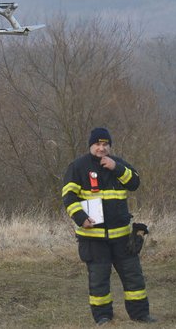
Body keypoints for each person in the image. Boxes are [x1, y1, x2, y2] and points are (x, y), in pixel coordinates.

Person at [62, 127, 156, 324]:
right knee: (99, 281)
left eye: (105, 145)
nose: (101, 148)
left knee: (134, 279)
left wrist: (117, 168)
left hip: (122, 237)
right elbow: (68, 197)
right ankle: (103, 317)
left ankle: (140, 315)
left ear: (110, 146)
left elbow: (135, 183)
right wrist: (80, 218)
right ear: (91, 146)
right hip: (93, 238)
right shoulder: (78, 167)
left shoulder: (118, 164)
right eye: (97, 144)